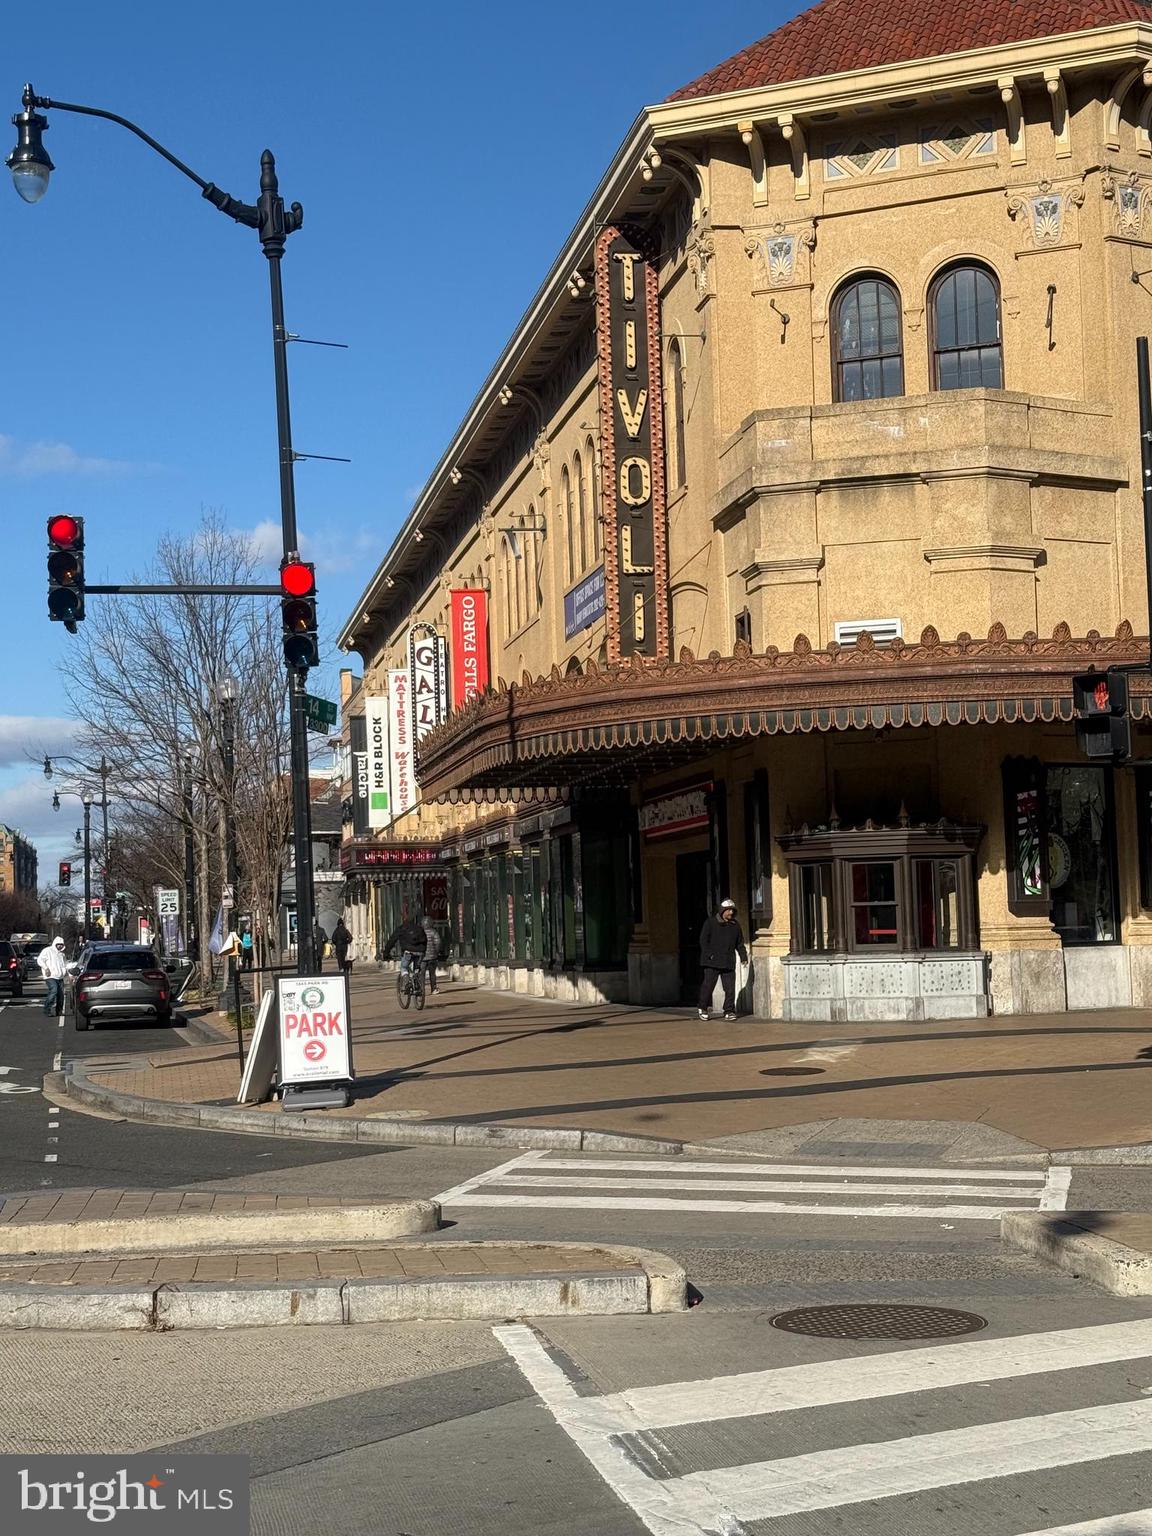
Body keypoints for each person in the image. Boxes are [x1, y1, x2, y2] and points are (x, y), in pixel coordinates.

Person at [697, 898, 747, 1022]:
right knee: (708, 986)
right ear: (722, 911)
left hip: (728, 961)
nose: (730, 913)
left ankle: (729, 1010)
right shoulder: (710, 923)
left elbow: (740, 943)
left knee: (730, 988)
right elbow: (703, 941)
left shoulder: (735, 925)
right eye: (728, 910)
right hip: (712, 961)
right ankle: (702, 1007)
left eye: (732, 910)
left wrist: (743, 957)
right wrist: (709, 955)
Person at [382, 913, 428, 980]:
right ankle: (417, 980)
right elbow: (425, 941)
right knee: (417, 968)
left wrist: (386, 953)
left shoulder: (402, 928)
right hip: (420, 952)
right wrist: (424, 952)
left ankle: (405, 978)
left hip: (408, 952)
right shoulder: (420, 929)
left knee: (404, 967)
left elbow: (392, 941)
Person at [37, 936, 69, 1018]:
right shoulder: (47, 951)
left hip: (60, 977)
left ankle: (59, 1011)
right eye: (58, 944)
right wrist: (46, 968)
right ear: (55, 944)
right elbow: (40, 960)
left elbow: (65, 965)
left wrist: (67, 973)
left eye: (61, 944)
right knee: (54, 990)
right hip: (50, 976)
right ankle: (47, 1009)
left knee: (61, 995)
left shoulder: (62, 955)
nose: (60, 946)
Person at [421, 918, 441, 993]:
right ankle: (433, 988)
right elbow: (438, 942)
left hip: (422, 957)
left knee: (421, 974)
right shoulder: (434, 932)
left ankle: (422, 989)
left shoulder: (420, 932)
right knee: (432, 973)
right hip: (432, 956)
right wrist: (436, 952)